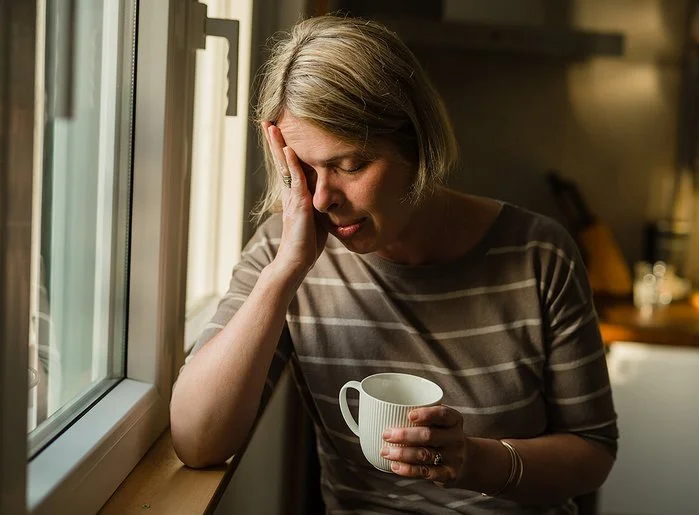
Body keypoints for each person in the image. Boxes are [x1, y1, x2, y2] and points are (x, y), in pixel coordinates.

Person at [170, 14, 618, 514]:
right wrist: (282, 276)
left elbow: (592, 452)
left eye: (350, 165)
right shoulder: (286, 251)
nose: (321, 199)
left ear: (416, 144)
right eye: (303, 171)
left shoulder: (539, 255)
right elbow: (197, 441)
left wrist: (473, 461)